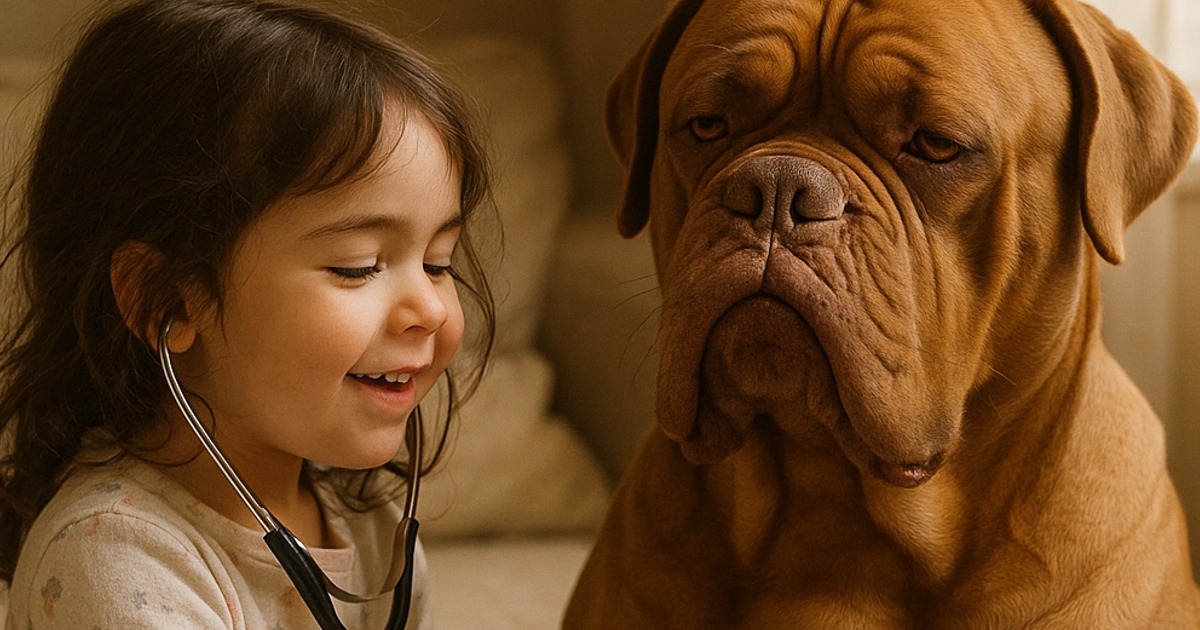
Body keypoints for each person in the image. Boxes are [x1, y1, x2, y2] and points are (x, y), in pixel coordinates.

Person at [0, 0, 496, 627]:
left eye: (439, 262)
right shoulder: (113, 563)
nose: (428, 307)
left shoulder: (376, 535)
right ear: (169, 299)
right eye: (357, 265)